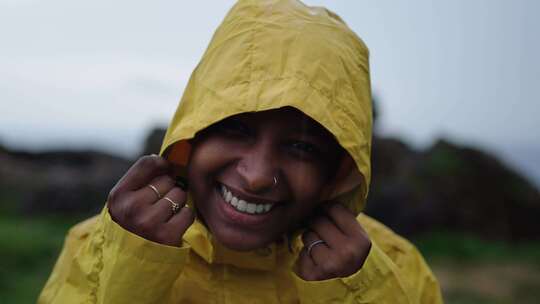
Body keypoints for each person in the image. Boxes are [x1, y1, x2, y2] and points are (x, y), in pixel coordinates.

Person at [38, 0, 443, 303]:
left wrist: (356, 293)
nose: (256, 175)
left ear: (338, 171)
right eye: (235, 128)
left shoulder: (394, 270)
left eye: (302, 147)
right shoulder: (94, 245)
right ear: (192, 134)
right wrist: (127, 268)